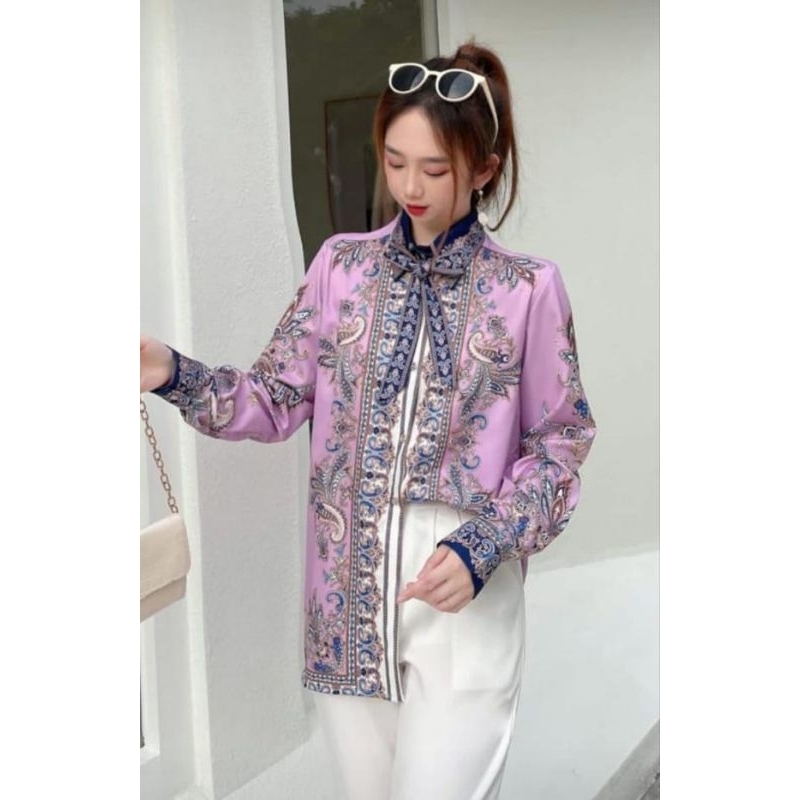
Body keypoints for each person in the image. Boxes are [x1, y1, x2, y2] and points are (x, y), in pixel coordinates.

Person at [141, 40, 596, 800]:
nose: (410, 187)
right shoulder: (340, 268)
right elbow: (272, 399)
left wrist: (485, 545)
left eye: (436, 169)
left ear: (484, 169)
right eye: (394, 161)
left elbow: (560, 444)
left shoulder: (528, 289)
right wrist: (171, 371)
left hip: (462, 592)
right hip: (344, 598)